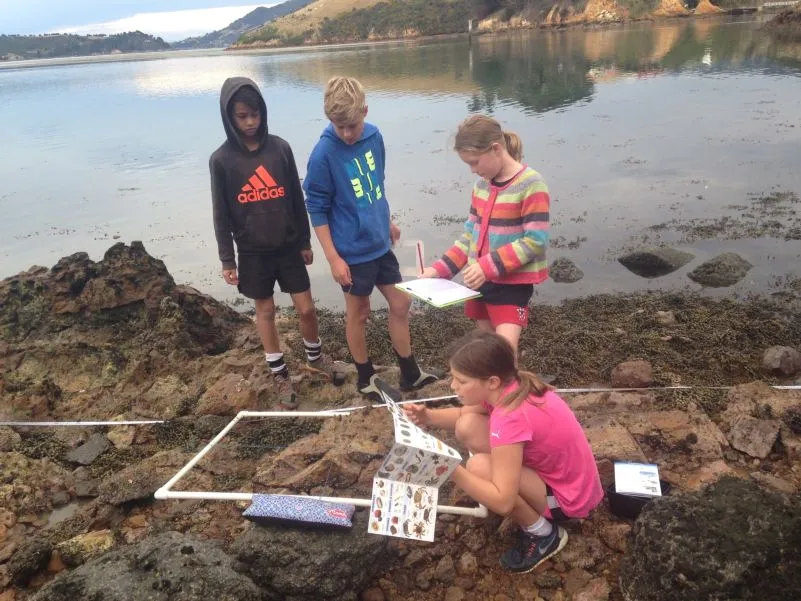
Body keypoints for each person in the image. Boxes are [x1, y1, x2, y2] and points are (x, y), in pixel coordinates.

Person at [405, 331, 603, 573]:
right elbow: (463, 415)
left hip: (568, 499)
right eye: (453, 377)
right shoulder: (513, 386)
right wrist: (428, 417)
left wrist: (449, 468)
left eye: (461, 381)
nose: (453, 385)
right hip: (569, 480)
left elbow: (502, 501)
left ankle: (543, 534)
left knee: (478, 467)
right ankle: (510, 489)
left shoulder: (508, 418)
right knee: (468, 424)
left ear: (492, 382)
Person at [210, 77, 345, 410]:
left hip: (288, 246)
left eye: (255, 114)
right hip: (252, 251)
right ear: (230, 117)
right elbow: (220, 212)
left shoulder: (280, 149)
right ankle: (279, 372)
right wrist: (228, 260)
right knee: (266, 311)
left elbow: (297, 200)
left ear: (263, 112)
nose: (250, 122)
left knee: (307, 308)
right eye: (242, 116)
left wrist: (304, 240)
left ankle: (315, 356)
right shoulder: (222, 160)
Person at [304, 76, 438, 400]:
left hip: (379, 243)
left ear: (365, 110)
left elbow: (375, 183)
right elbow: (316, 208)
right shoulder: (323, 154)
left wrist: (388, 220)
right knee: (359, 312)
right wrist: (334, 258)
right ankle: (366, 378)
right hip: (351, 252)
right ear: (330, 120)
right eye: (340, 127)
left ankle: (410, 372)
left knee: (401, 302)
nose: (347, 134)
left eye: (352, 125)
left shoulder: (374, 136)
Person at [420, 115, 550, 355]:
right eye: (468, 164)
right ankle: (490, 394)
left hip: (512, 286)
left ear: (496, 149)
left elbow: (536, 240)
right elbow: (469, 239)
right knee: (487, 354)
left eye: (475, 162)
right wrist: (437, 271)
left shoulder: (532, 184)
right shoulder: (481, 187)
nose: (472, 170)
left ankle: (511, 393)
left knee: (505, 355)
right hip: (478, 285)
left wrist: (486, 267)